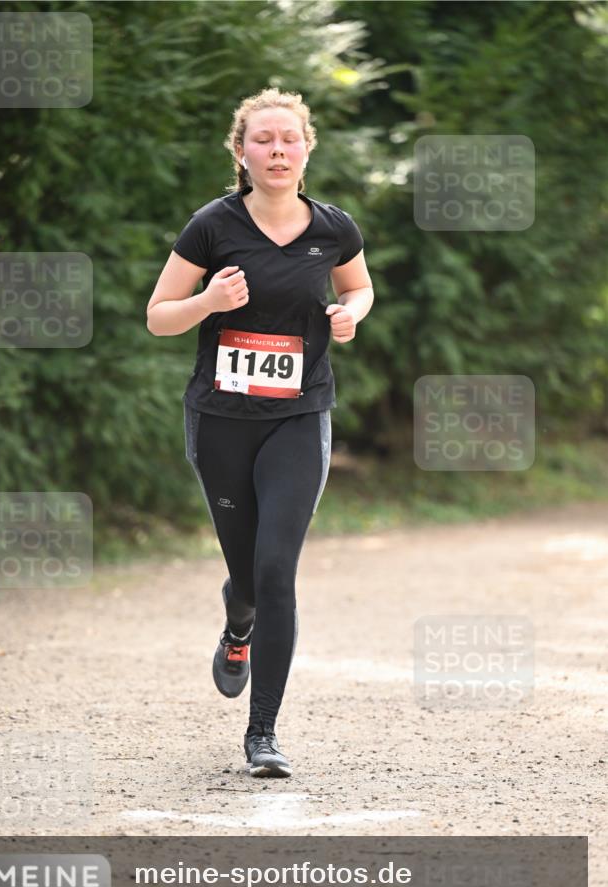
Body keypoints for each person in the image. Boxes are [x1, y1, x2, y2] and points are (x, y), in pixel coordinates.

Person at [146, 87, 374, 778]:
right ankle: (236, 621)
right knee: (246, 575)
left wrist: (349, 313)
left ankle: (263, 733)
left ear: (306, 149)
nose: (277, 150)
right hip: (219, 420)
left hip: (298, 416)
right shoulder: (211, 227)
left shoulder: (332, 228)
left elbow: (359, 286)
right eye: (262, 139)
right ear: (241, 152)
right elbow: (158, 315)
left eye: (288, 139)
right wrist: (209, 301)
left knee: (277, 569)